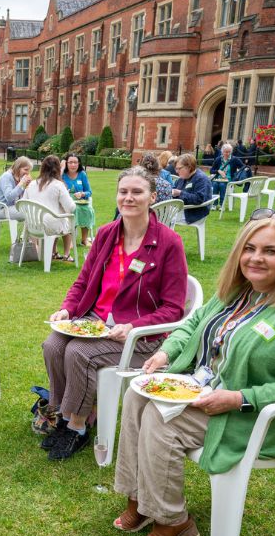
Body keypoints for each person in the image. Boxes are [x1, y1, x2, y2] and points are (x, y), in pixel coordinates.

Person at [113, 209, 275, 536]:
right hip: (205, 389)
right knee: (136, 397)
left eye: (270, 251)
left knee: (162, 421)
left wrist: (238, 398)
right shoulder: (237, 291)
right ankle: (139, 498)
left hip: (254, 414)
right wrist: (166, 354)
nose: (256, 258)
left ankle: (173, 521)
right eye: (249, 248)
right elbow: (191, 326)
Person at [41, 166, 188, 460]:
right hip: (97, 323)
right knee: (54, 344)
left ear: (152, 197)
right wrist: (67, 309)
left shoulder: (169, 242)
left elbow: (173, 309)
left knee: (79, 352)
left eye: (137, 192)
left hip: (141, 338)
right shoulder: (108, 233)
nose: (129, 198)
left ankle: (78, 426)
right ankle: (66, 410)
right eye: (124, 192)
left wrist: (134, 325)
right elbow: (82, 282)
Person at [26, 155, 76, 262]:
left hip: (32, 224)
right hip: (49, 225)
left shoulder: (32, 184)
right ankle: (66, 254)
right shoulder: (58, 185)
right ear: (57, 169)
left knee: (58, 217)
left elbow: (24, 203)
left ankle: (54, 252)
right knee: (67, 220)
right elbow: (71, 207)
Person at [62, 153, 94, 247]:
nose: (73, 165)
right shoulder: (62, 174)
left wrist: (82, 194)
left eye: (75, 162)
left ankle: (84, 240)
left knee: (88, 211)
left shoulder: (82, 174)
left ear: (79, 163)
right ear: (66, 164)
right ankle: (70, 240)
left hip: (80, 202)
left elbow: (89, 192)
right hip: (66, 201)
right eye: (70, 162)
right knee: (74, 211)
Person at [171, 154, 213, 224]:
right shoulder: (183, 178)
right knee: (157, 213)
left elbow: (199, 198)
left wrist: (180, 193)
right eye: (176, 168)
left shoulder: (201, 179)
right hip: (181, 209)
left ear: (189, 167)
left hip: (193, 213)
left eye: (179, 168)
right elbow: (174, 189)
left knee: (163, 217)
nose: (176, 171)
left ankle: (168, 235)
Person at [0, 156, 32, 222]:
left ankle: (28, 231)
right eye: (26, 169)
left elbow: (22, 198)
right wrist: (21, 183)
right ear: (18, 168)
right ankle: (28, 231)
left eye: (29, 170)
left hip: (12, 207)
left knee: (33, 210)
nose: (27, 173)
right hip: (0, 209)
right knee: (29, 213)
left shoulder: (19, 177)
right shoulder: (7, 176)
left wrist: (27, 186)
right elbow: (9, 197)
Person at [209, 143, 246, 209]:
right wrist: (218, 171)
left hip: (229, 179)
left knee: (222, 185)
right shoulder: (218, 159)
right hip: (218, 179)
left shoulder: (234, 159)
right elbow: (211, 170)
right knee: (214, 184)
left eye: (229, 152)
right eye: (226, 152)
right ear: (222, 152)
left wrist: (237, 172)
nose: (227, 154)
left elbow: (243, 167)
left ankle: (221, 204)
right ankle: (214, 204)